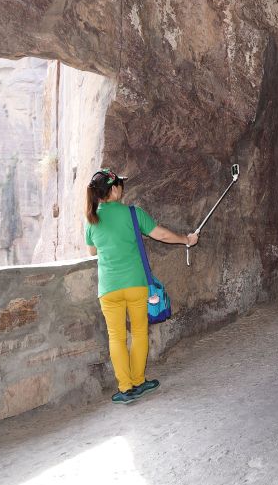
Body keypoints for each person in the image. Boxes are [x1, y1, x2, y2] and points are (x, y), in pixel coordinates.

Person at [85, 168, 198, 404]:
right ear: (114, 189)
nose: (122, 189)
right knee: (138, 332)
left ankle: (125, 388)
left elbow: (92, 250)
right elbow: (162, 235)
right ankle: (139, 381)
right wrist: (186, 239)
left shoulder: (91, 219)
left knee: (116, 338)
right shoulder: (133, 214)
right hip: (136, 285)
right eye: (120, 185)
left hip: (108, 289)